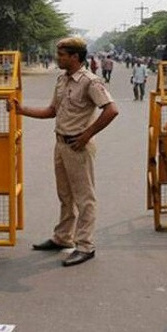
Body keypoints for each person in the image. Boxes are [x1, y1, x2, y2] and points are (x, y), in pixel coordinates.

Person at [7, 37, 119, 267]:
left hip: (78, 146)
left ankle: (85, 245)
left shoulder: (90, 82)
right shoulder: (62, 79)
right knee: (65, 195)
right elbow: (52, 111)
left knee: (84, 198)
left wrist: (87, 134)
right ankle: (63, 237)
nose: (58, 58)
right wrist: (21, 110)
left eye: (62, 55)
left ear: (75, 57)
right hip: (61, 144)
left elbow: (111, 110)